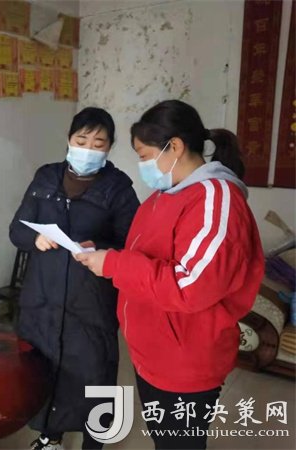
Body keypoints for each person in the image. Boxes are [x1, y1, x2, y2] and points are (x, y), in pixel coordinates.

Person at [75, 100, 264, 449]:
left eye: (145, 156)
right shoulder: (165, 195)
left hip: (185, 361)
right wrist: (103, 253)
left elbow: (190, 287)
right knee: (165, 440)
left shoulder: (215, 199)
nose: (143, 166)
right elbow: (146, 256)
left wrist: (113, 264)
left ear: (174, 146)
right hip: (153, 352)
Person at [9, 107, 140, 450]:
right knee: (45, 372)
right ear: (69, 139)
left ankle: (93, 444)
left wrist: (102, 248)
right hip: (42, 299)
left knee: (92, 375)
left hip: (90, 302)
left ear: (109, 147)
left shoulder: (118, 188)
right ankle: (50, 437)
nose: (88, 149)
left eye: (98, 143)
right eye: (82, 140)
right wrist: (34, 238)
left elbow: (134, 244)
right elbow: (17, 229)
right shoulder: (45, 178)